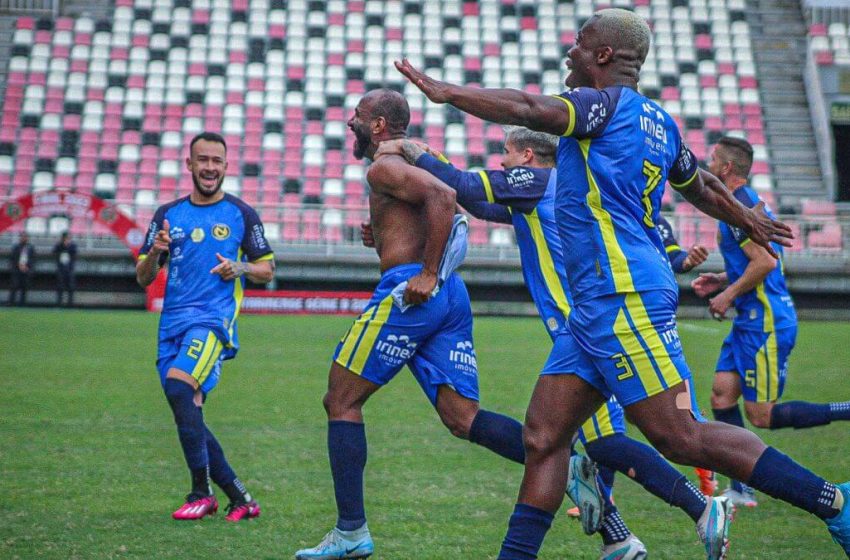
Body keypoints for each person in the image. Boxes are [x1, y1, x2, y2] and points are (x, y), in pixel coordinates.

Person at [397, 8, 850, 560]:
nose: (570, 51)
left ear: (604, 56)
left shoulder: (599, 106)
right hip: (596, 305)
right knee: (544, 439)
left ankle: (834, 503)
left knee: (680, 436)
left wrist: (446, 92)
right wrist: (742, 217)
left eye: (579, 43)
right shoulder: (657, 120)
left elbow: (527, 108)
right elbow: (699, 183)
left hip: (623, 295)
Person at [378, 128, 722, 560]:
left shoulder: (544, 185)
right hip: (584, 330)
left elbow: (466, 186)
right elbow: (476, 201)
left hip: (590, 330)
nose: (501, 162)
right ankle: (621, 537)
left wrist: (415, 150)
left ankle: (699, 507)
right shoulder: (544, 194)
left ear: (526, 155)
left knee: (597, 443)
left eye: (505, 153)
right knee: (581, 443)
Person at [294, 90, 601, 560]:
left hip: (413, 293)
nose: (351, 124)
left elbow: (444, 196)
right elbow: (443, 207)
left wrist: (425, 271)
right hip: (448, 296)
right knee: (462, 417)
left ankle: (351, 531)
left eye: (357, 117)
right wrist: (386, 235)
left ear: (377, 125)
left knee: (340, 399)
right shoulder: (409, 162)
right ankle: (569, 462)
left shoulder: (383, 166)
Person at [693, 136, 850, 508]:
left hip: (765, 322)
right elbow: (756, 260)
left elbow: (765, 262)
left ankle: (846, 410)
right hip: (750, 319)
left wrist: (727, 294)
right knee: (721, 395)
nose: (708, 163)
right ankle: (741, 489)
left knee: (760, 416)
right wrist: (724, 279)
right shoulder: (745, 204)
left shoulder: (738, 206)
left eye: (713, 159)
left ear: (726, 168)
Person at [136, 132, 274, 522]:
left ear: (226, 166)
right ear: (190, 166)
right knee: (188, 409)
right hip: (171, 326)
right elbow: (144, 277)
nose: (210, 167)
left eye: (217, 160)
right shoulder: (168, 215)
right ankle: (241, 498)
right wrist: (157, 254)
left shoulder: (241, 214)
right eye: (203, 160)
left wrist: (241, 267)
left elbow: (267, 268)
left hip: (212, 323)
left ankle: (201, 492)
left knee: (180, 388)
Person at [9, 232, 35, 306]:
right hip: (16, 269)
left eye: (25, 237)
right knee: (14, 285)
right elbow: (13, 258)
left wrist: (27, 266)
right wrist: (19, 265)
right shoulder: (16, 247)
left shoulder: (30, 247)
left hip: (27, 269)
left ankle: (22, 303)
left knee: (25, 286)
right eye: (23, 237)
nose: (24, 238)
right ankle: (11, 302)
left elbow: (32, 258)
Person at [53, 232, 77, 307]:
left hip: (69, 268)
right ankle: (59, 303)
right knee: (60, 286)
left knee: (71, 286)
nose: (67, 239)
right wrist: (63, 245)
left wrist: (68, 246)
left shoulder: (72, 245)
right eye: (66, 238)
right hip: (61, 268)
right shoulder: (59, 245)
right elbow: (54, 252)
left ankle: (70, 304)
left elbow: (74, 253)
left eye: (68, 238)